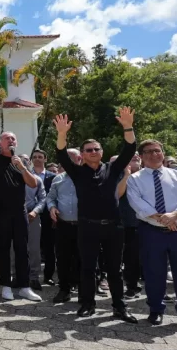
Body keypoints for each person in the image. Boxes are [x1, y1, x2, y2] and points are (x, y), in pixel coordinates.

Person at [54, 109, 138, 322]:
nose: (92, 152)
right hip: (87, 227)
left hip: (113, 227)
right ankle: (87, 304)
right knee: (88, 267)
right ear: (82, 154)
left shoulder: (113, 168)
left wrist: (128, 126)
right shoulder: (77, 172)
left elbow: (130, 149)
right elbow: (61, 154)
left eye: (96, 149)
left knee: (114, 270)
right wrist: (62, 133)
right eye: (88, 150)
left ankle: (119, 307)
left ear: (101, 151)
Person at [126, 140, 177, 331]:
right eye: (148, 152)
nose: (154, 154)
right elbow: (138, 204)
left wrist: (175, 216)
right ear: (141, 156)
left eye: (157, 151)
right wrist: (165, 220)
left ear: (163, 152)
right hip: (151, 232)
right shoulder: (134, 179)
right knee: (154, 273)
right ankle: (156, 311)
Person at [0, 98, 42, 302]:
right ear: (1, 143)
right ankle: (6, 285)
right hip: (0, 212)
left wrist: (22, 167)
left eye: (13, 139)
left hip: (19, 212)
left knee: (22, 248)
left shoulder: (22, 162)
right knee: (4, 249)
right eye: (7, 139)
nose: (11, 141)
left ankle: (24, 286)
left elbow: (33, 184)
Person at [46, 149, 81, 303]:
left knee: (83, 258)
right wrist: (52, 207)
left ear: (79, 158)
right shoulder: (58, 179)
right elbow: (51, 198)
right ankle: (64, 289)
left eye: (70, 158)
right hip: (63, 225)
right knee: (63, 258)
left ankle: (84, 290)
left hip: (83, 226)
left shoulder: (87, 176)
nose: (66, 162)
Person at [32, 149, 58, 286]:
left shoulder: (53, 176)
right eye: (35, 157)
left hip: (48, 216)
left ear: (45, 159)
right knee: (32, 247)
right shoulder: (26, 175)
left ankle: (48, 275)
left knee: (49, 248)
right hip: (31, 215)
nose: (37, 159)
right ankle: (31, 275)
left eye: (40, 157)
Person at [118, 154, 143, 299]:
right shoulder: (119, 176)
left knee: (154, 258)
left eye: (137, 155)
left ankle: (160, 289)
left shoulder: (150, 174)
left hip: (153, 223)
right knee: (131, 258)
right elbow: (117, 194)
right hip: (128, 224)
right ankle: (132, 287)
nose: (136, 156)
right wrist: (127, 174)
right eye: (131, 155)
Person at [24, 156, 47, 292]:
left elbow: (43, 199)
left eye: (26, 161)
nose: (24, 163)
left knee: (34, 249)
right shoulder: (10, 178)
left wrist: (35, 211)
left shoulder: (36, 180)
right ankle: (16, 275)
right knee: (15, 249)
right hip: (14, 217)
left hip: (32, 216)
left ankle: (34, 277)